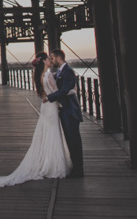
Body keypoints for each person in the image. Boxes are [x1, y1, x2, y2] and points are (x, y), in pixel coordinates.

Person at [0, 52, 71, 187]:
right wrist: (72, 91)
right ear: (44, 62)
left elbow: (45, 93)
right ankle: (52, 164)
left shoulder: (39, 75)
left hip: (45, 107)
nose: (50, 61)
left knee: (46, 134)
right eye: (48, 59)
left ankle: (46, 161)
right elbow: (56, 91)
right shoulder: (47, 75)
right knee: (53, 134)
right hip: (51, 108)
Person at [45, 49, 84, 178]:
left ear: (58, 58)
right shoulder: (61, 71)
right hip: (65, 111)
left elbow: (64, 90)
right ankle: (75, 168)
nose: (51, 60)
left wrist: (48, 98)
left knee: (74, 141)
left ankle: (78, 170)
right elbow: (53, 81)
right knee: (70, 141)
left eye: (52, 58)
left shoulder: (68, 72)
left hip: (70, 111)